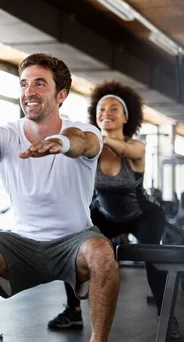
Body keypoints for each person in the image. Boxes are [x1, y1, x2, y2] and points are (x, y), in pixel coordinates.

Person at [0, 53, 120, 342]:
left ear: (61, 94)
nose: (29, 91)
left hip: (74, 242)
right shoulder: (7, 134)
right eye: (24, 84)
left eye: (40, 84)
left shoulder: (82, 130)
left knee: (103, 253)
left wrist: (62, 142)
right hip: (23, 243)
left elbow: (84, 142)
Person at [47, 81, 179, 338]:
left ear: (126, 117)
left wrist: (98, 138)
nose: (106, 112)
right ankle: (73, 311)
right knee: (71, 244)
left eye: (113, 108)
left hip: (142, 213)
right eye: (101, 109)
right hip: (105, 214)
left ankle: (166, 315)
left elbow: (125, 149)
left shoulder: (136, 147)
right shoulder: (92, 150)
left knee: (153, 256)